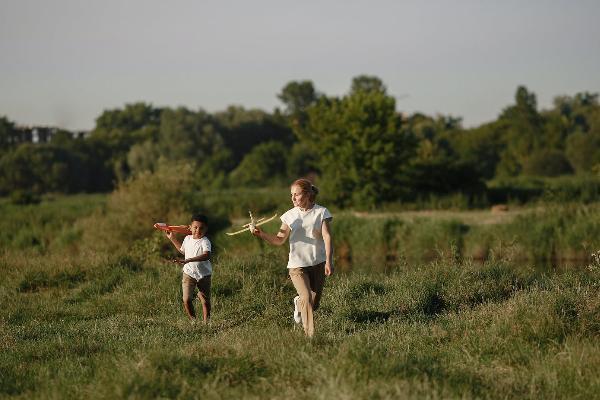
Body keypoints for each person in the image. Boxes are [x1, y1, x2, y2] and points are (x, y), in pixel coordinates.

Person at [252, 178, 333, 337]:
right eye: (291, 195)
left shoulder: (321, 212)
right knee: (307, 298)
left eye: (296, 194)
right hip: (297, 265)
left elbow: (327, 237)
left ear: (308, 194)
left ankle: (298, 303)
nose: (293, 198)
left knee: (313, 304)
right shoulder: (289, 216)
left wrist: (329, 261)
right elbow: (279, 240)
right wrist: (260, 234)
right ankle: (310, 337)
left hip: (318, 263)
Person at [165, 214, 212, 323]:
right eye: (195, 227)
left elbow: (207, 255)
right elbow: (183, 251)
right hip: (189, 274)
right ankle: (193, 321)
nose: (198, 230)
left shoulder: (205, 241)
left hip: (204, 275)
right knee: (186, 299)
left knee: (205, 301)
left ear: (206, 229)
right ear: (190, 227)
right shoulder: (187, 238)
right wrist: (172, 238)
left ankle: (206, 323)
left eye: (201, 228)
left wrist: (188, 260)